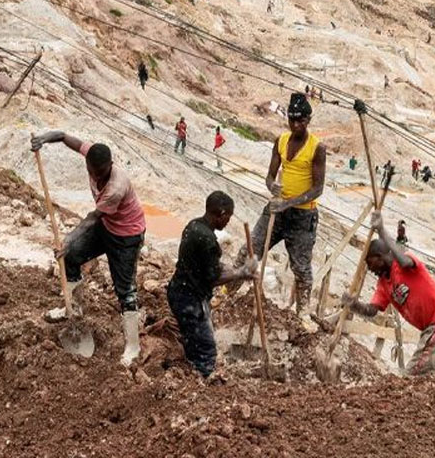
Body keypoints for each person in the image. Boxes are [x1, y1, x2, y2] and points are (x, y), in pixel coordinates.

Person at [31, 131, 146, 365]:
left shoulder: (116, 187)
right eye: (92, 172)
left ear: (110, 165)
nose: (95, 177)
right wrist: (44, 139)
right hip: (107, 225)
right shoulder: (93, 155)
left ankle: (133, 346)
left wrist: (68, 238)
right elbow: (64, 136)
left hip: (126, 236)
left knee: (125, 291)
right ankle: (74, 309)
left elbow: (93, 217)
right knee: (71, 257)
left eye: (100, 173)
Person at [343, 210, 435, 375]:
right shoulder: (383, 284)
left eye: (371, 263)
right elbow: (371, 310)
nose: (370, 269)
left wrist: (382, 230)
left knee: (411, 377)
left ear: (381, 257)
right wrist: (354, 305)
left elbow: (404, 262)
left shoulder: (404, 264)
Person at [240, 92, 326, 317]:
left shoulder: (317, 148)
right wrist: (272, 187)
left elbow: (317, 189)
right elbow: (270, 176)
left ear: (308, 120)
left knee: (301, 268)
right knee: (250, 250)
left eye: (300, 121)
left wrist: (289, 203)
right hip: (277, 209)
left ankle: (303, 314)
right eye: (292, 120)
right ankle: (226, 293)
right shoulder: (281, 141)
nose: (295, 125)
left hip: (302, 216)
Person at [167, 191, 256, 377]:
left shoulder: (193, 225)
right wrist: (241, 273)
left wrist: (235, 270)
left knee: (194, 339)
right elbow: (213, 279)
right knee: (207, 351)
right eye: (228, 217)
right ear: (221, 214)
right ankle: (201, 381)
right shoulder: (207, 240)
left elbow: (206, 264)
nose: (228, 222)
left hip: (179, 291)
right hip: (190, 300)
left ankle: (190, 363)